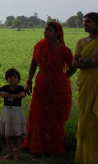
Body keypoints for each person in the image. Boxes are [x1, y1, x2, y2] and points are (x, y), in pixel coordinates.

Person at [22, 21, 75, 155]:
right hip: (42, 84)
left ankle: (53, 147)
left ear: (57, 33)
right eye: (45, 29)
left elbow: (73, 66)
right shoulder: (40, 46)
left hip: (58, 87)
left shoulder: (64, 50)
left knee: (54, 117)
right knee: (40, 114)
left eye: (49, 30)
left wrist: (62, 76)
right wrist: (29, 81)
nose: (45, 31)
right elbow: (33, 63)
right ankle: (36, 146)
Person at [72, 12, 98, 164]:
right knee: (84, 115)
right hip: (84, 85)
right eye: (84, 21)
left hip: (96, 83)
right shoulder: (81, 42)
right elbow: (73, 63)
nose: (85, 24)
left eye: (88, 22)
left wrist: (82, 60)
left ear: (97, 25)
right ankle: (85, 157)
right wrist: (88, 61)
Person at [0, 68, 27, 163]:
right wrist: (2, 93)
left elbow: (23, 95)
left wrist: (11, 96)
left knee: (18, 134)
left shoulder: (20, 88)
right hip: (7, 111)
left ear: (18, 79)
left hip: (16, 112)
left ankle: (17, 155)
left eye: (14, 77)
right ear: (7, 79)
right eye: (10, 77)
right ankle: (10, 153)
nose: (12, 79)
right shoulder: (5, 88)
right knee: (8, 134)